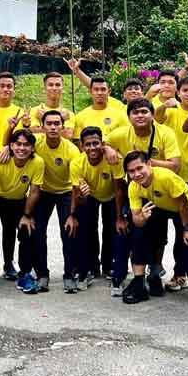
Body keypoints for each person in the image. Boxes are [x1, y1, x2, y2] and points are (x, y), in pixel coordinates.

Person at [107, 98, 181, 295]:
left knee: (160, 234)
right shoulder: (121, 133)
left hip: (163, 189)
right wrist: (108, 148)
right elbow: (104, 140)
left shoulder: (165, 133)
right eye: (135, 112)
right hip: (136, 190)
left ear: (152, 114)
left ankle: (157, 271)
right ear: (129, 116)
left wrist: (145, 163)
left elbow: (175, 165)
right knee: (131, 230)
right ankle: (125, 276)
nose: (140, 115)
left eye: (144, 112)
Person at [122, 151, 188, 305]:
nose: (137, 174)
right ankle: (143, 280)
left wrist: (187, 228)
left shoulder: (165, 177)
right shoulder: (133, 187)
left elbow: (183, 202)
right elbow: (136, 219)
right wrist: (142, 218)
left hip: (185, 208)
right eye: (131, 171)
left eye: (139, 168)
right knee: (139, 233)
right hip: (161, 207)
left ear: (149, 165)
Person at [157, 76, 188, 292]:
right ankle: (171, 272)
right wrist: (162, 104)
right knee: (169, 230)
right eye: (185, 90)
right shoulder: (170, 111)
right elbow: (157, 118)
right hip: (172, 177)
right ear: (178, 92)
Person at [0, 129, 44, 293]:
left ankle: (24, 274)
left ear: (32, 148)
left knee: (25, 230)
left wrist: (27, 216)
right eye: (18, 144)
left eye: (26, 145)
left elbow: (35, 191)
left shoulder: (37, 162)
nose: (22, 148)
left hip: (18, 200)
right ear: (11, 146)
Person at [65, 127, 128, 296]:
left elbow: (119, 190)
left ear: (102, 144)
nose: (92, 148)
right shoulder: (77, 163)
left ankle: (113, 270)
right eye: (88, 144)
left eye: (96, 143)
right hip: (91, 196)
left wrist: (120, 217)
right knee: (84, 229)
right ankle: (87, 270)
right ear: (82, 146)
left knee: (115, 229)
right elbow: (76, 194)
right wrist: (72, 213)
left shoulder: (112, 160)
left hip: (112, 195)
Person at [30, 111, 83, 292]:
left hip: (66, 192)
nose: (53, 127)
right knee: (37, 232)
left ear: (63, 126)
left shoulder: (71, 150)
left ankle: (69, 274)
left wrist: (73, 214)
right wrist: (6, 147)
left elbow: (76, 186)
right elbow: (16, 145)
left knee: (69, 231)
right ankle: (42, 275)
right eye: (49, 124)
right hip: (43, 192)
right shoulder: (36, 142)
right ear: (42, 126)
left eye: (56, 124)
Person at [28, 72, 76, 140]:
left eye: (57, 85)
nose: (54, 88)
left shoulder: (68, 114)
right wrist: (59, 128)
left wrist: (44, 119)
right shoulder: (33, 111)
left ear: (63, 89)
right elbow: (31, 133)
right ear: (44, 88)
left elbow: (67, 135)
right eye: (50, 85)